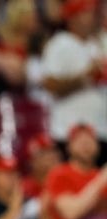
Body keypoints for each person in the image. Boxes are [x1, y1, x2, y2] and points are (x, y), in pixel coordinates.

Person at [41, 0, 107, 147]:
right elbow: (50, 85)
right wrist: (85, 77)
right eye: (87, 13)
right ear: (73, 17)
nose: (93, 17)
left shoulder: (101, 42)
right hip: (68, 131)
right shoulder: (59, 44)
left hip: (101, 131)